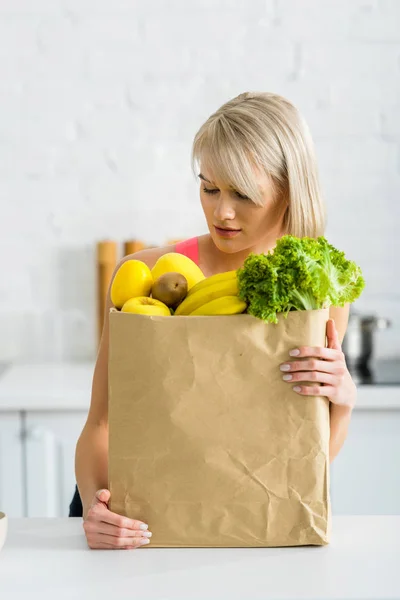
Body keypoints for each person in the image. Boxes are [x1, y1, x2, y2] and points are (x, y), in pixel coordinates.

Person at [73, 91, 357, 549]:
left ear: (290, 190)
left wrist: (343, 397)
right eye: (209, 188)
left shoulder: (317, 293)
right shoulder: (149, 275)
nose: (221, 212)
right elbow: (101, 425)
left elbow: (304, 450)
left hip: (249, 519)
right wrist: (93, 506)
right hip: (134, 523)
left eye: (243, 194)